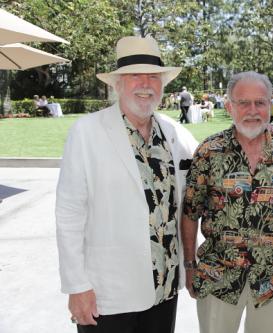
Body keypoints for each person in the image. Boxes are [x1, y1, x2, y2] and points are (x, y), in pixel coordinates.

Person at [55, 36, 198, 333]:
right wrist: (76, 285)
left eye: (153, 77)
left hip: (164, 287)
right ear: (118, 84)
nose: (145, 84)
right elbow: (69, 214)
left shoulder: (174, 132)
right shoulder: (87, 132)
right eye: (135, 75)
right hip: (109, 295)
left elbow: (208, 175)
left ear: (162, 85)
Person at [181, 71, 273, 333]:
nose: (253, 110)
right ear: (229, 106)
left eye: (260, 102)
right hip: (218, 277)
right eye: (243, 103)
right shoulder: (209, 151)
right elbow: (190, 213)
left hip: (272, 279)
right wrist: (190, 265)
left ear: (269, 105)